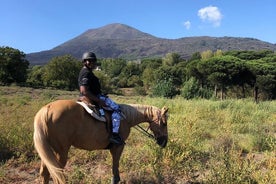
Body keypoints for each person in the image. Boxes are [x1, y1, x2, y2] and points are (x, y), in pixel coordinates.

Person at [78, 51, 124, 145]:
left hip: (96, 95)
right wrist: (99, 100)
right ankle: (114, 135)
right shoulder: (86, 73)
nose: (92, 63)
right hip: (95, 97)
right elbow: (84, 91)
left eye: (93, 61)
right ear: (85, 62)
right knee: (117, 109)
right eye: (89, 61)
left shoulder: (87, 71)